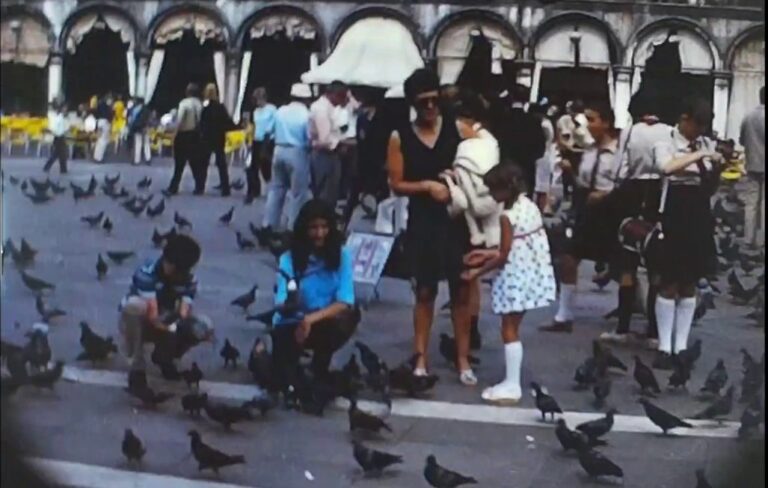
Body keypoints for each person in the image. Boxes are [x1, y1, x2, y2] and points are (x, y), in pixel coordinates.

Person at [387, 68, 475, 385]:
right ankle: (420, 356)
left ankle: (463, 358)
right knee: (425, 291)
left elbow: (483, 157)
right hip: (423, 220)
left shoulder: (458, 129)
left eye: (434, 101)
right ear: (413, 103)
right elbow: (396, 184)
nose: (429, 107)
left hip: (455, 220)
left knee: (461, 291)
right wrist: (426, 185)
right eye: (422, 102)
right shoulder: (401, 137)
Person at [462, 164, 556, 403]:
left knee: (509, 329)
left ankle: (512, 384)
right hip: (532, 273)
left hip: (515, 276)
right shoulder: (529, 206)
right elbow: (514, 244)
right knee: (513, 326)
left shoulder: (507, 216)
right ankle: (511, 381)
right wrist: (485, 254)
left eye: (493, 190)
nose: (491, 196)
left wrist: (476, 273)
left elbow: (504, 255)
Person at [651, 98, 722, 369]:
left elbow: (710, 187)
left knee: (690, 281)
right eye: (696, 125)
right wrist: (700, 156)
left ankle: (681, 345)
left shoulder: (706, 144)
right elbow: (665, 168)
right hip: (673, 212)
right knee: (669, 280)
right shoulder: (666, 141)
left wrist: (717, 167)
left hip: (699, 214)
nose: (699, 132)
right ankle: (664, 346)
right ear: (684, 118)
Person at [598, 90, 672, 346]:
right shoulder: (670, 132)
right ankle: (653, 330)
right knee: (656, 265)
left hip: (633, 193)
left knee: (627, 262)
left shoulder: (631, 131)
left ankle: (623, 327)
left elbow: (621, 168)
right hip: (660, 196)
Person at [542, 100, 620, 333]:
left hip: (610, 210)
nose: (587, 125)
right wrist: (570, 172)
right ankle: (564, 315)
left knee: (622, 265)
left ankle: (631, 313)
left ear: (605, 123)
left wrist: (606, 195)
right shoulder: (589, 151)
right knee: (569, 256)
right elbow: (582, 183)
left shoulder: (618, 153)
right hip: (586, 209)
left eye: (592, 119)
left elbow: (624, 183)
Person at [270, 200, 359, 394]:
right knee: (280, 382)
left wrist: (310, 320)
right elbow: (282, 301)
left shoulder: (342, 255)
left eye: (324, 227)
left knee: (348, 316)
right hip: (292, 320)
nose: (320, 234)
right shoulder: (288, 259)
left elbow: (345, 300)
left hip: (323, 319)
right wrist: (299, 318)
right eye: (313, 228)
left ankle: (320, 364)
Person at [440, 91, 503, 350]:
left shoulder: (465, 147)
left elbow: (464, 197)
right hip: (487, 219)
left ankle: (466, 329)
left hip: (466, 218)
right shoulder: (492, 143)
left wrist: (450, 179)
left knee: (465, 276)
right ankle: (472, 327)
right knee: (471, 278)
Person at [119, 234, 214, 389]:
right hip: (141, 323)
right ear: (169, 263)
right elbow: (153, 316)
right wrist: (172, 327)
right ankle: (136, 367)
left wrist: (184, 326)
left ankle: (165, 358)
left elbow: (184, 311)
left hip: (166, 319)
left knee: (203, 326)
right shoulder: (146, 274)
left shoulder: (188, 279)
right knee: (134, 306)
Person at [259, 83, 313, 239]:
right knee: (298, 193)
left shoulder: (280, 111)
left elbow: (268, 131)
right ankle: (292, 227)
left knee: (276, 189)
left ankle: (268, 224)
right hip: (298, 152)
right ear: (306, 98)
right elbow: (309, 137)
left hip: (279, 149)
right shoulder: (306, 114)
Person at [491, 84, 546, 193]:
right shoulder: (534, 121)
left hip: (505, 167)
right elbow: (540, 148)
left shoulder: (502, 120)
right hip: (527, 168)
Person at [309, 81, 350, 206]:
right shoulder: (322, 109)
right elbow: (325, 139)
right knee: (326, 193)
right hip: (325, 154)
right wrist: (343, 142)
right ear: (334, 94)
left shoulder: (329, 108)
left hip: (327, 153)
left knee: (329, 192)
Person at [165, 83, 203, 196]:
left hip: (184, 134)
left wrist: (174, 133)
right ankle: (199, 186)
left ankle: (174, 187)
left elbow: (180, 121)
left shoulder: (184, 103)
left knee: (179, 163)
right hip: (195, 135)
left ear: (187, 92)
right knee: (194, 162)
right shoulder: (200, 104)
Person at [199, 83, 236, 196]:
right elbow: (228, 123)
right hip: (219, 138)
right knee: (221, 164)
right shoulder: (221, 108)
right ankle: (225, 188)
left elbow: (201, 124)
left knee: (203, 164)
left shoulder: (205, 109)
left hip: (207, 138)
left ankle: (200, 187)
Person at [740, 86, 765, 248]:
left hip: (752, 164)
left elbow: (742, 140)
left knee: (751, 203)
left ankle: (748, 239)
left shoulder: (748, 117)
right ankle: (762, 239)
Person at [246, 87, 277, 203]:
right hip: (256, 139)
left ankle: (269, 183)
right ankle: (253, 189)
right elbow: (254, 125)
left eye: (258, 99)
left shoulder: (272, 109)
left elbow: (274, 123)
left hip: (268, 139)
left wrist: (269, 133)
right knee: (253, 166)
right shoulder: (256, 111)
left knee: (265, 163)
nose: (257, 102)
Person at [43, 101, 70, 174]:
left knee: (58, 154)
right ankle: (62, 170)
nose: (66, 109)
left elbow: (64, 128)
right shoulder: (58, 118)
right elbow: (54, 128)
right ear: (61, 109)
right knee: (61, 154)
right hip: (58, 137)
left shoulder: (63, 118)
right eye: (65, 108)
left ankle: (48, 167)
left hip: (61, 137)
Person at [127, 97, 153, 166]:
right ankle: (148, 159)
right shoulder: (146, 109)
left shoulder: (134, 109)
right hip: (145, 128)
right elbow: (148, 119)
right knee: (146, 144)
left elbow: (131, 118)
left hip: (137, 128)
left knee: (138, 144)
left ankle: (137, 160)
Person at [93, 94, 114, 163]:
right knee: (103, 140)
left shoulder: (99, 105)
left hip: (99, 122)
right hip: (105, 123)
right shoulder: (106, 106)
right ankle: (100, 158)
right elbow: (109, 115)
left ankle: (96, 156)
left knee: (99, 140)